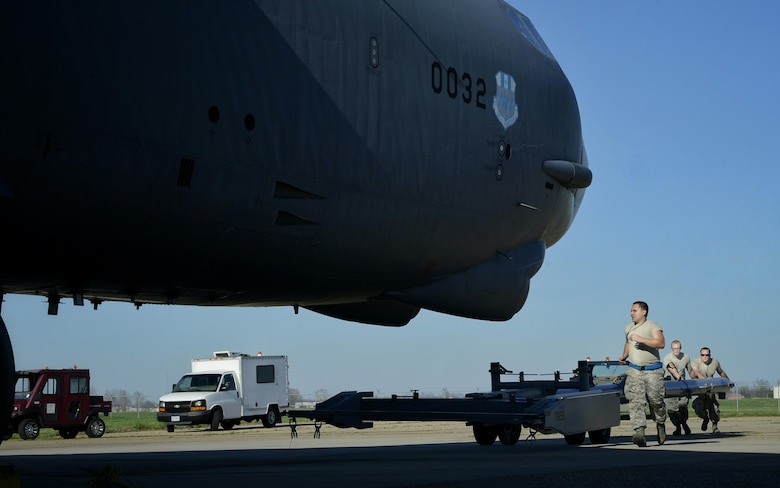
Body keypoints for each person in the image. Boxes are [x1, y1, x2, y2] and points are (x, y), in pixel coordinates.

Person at [618, 301, 667, 447]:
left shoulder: (653, 326)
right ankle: (639, 432)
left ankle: (660, 423)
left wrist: (642, 340)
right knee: (635, 402)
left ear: (643, 312)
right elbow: (628, 343)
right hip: (634, 371)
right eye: (631, 311)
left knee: (656, 401)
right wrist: (624, 355)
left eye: (634, 311)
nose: (631, 313)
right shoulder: (628, 328)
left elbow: (661, 343)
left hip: (653, 371)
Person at [691, 347, 729, 434]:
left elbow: (721, 372)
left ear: (710, 355)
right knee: (698, 408)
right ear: (700, 355)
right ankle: (705, 418)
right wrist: (705, 382)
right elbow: (696, 372)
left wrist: (727, 380)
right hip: (699, 389)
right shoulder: (695, 362)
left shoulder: (715, 362)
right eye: (702, 355)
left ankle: (715, 426)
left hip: (711, 389)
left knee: (714, 408)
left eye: (707, 355)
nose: (705, 357)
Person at [662, 340, 694, 435]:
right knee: (672, 408)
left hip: (682, 386)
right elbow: (672, 369)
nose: (677, 351)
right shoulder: (667, 358)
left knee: (683, 405)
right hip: (671, 386)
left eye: (678, 348)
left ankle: (684, 423)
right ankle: (678, 427)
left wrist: (694, 381)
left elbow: (690, 370)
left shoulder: (686, 357)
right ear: (671, 349)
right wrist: (679, 377)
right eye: (675, 349)